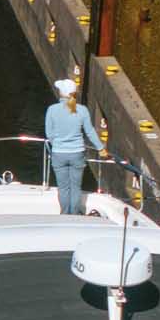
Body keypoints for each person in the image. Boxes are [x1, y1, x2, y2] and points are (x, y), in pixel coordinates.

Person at [45, 75, 103, 215]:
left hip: (59, 153)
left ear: (61, 93)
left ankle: (65, 213)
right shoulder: (82, 110)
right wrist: (101, 148)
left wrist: (58, 144)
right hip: (77, 153)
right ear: (74, 93)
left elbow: (49, 134)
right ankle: (74, 214)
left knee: (63, 187)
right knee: (76, 187)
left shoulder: (52, 110)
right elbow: (89, 131)